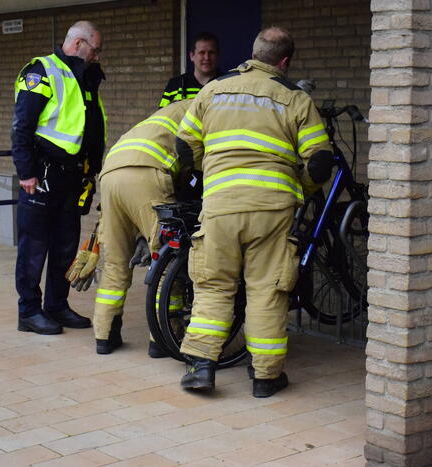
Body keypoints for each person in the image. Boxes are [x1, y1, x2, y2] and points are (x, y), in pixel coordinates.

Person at [175, 26, 334, 397]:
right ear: (284, 61)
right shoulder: (295, 98)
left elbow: (184, 148)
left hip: (221, 205)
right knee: (267, 291)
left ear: (254, 52)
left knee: (214, 285)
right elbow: (320, 163)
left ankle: (201, 367)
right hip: (272, 210)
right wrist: (300, 188)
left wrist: (213, 176)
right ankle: (266, 377)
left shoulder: (213, 90)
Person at [12, 20, 107, 335]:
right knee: (34, 247)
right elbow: (22, 125)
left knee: (65, 246)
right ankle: (29, 312)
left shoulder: (85, 77)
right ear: (79, 44)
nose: (97, 56)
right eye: (95, 49)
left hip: (73, 177)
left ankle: (57, 305)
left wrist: (91, 169)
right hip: (42, 175)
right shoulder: (41, 71)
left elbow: (89, 125)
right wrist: (25, 172)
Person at [93, 99, 193, 356]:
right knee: (167, 261)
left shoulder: (170, 111)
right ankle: (163, 339)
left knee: (115, 263)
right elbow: (194, 165)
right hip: (147, 173)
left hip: (110, 174)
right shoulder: (207, 109)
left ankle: (105, 335)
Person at [159, 32, 220, 108]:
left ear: (218, 55)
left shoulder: (227, 85)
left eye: (211, 53)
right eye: (202, 53)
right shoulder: (174, 85)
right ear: (192, 56)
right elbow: (162, 114)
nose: (207, 57)